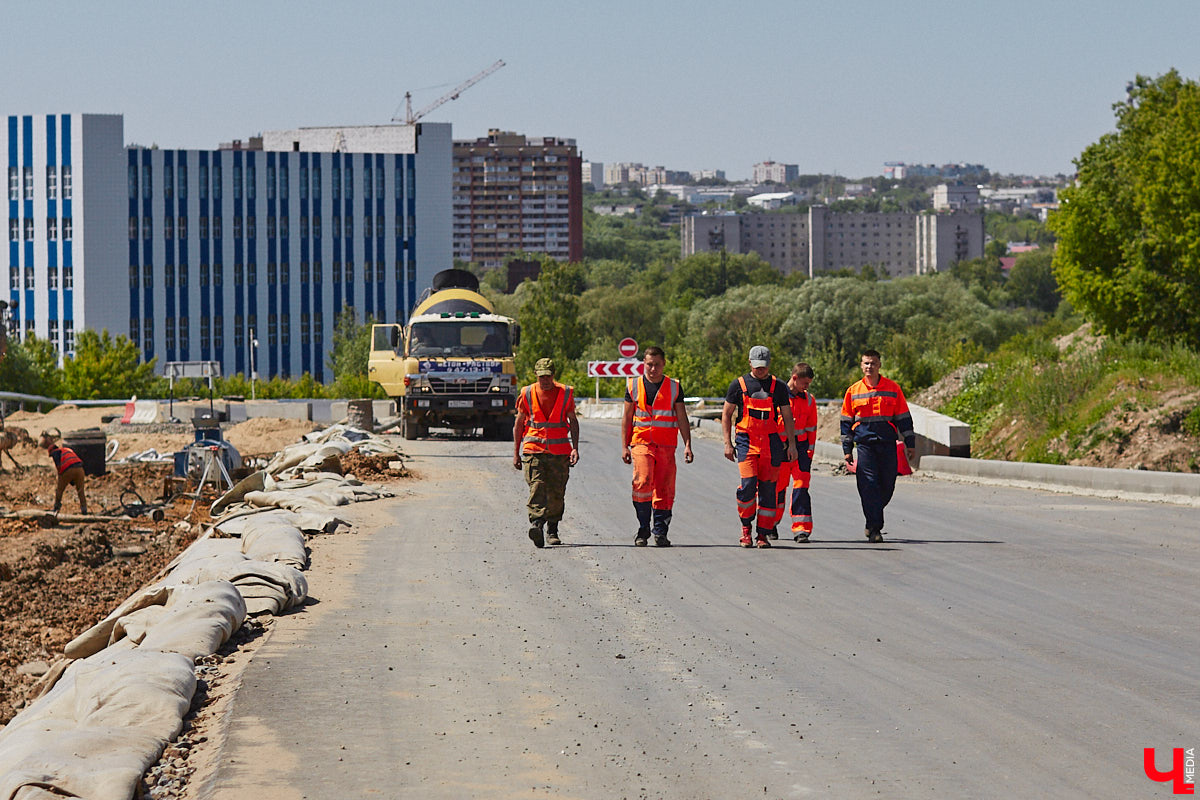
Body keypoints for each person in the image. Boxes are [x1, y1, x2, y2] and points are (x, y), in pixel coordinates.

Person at [721, 346, 798, 548]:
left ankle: (762, 535)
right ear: (749, 363)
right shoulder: (738, 385)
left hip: (771, 443)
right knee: (747, 487)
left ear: (769, 364)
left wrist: (791, 445)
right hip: (746, 441)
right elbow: (726, 415)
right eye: (756, 367)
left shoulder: (779, 387)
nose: (760, 370)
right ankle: (746, 528)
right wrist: (728, 444)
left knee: (768, 490)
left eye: (763, 367)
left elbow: (788, 417)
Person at [621, 346, 694, 547]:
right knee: (643, 482)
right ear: (643, 364)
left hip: (666, 445)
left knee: (664, 488)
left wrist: (687, 444)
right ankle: (643, 528)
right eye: (649, 365)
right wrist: (624, 447)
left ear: (664, 364)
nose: (653, 369)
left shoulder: (674, 387)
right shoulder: (633, 386)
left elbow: (682, 417)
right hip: (641, 443)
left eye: (657, 365)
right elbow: (627, 419)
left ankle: (660, 532)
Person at [840, 349, 915, 542]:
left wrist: (910, 443)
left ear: (879, 364)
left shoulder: (892, 388)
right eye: (866, 363)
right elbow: (846, 422)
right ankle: (874, 528)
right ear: (861, 365)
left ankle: (872, 516)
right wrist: (847, 450)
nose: (869, 366)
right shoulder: (853, 391)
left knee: (887, 484)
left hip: (887, 444)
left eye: (873, 363)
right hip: (865, 445)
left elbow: (904, 418)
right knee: (868, 484)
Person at [513, 357, 580, 548]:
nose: (545, 380)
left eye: (548, 376)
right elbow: (519, 424)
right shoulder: (526, 393)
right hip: (533, 450)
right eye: (541, 376)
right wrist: (516, 452)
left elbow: (573, 421)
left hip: (560, 452)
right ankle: (537, 524)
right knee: (537, 486)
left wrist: (575, 447)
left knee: (557, 492)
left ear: (554, 375)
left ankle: (553, 529)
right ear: (536, 375)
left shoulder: (565, 393)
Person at [769, 362, 818, 542]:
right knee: (777, 488)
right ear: (795, 378)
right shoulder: (777, 397)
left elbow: (812, 428)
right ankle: (771, 524)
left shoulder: (809, 400)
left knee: (801, 487)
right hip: (780, 448)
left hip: (802, 450)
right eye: (805, 383)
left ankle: (801, 529)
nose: (807, 387)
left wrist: (810, 452)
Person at [41, 428, 88, 515]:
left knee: (59, 490)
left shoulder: (55, 452)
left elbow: (59, 467)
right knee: (80, 491)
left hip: (68, 469)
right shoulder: (66, 450)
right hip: (80, 469)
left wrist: (61, 478)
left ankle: (56, 508)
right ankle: (84, 510)